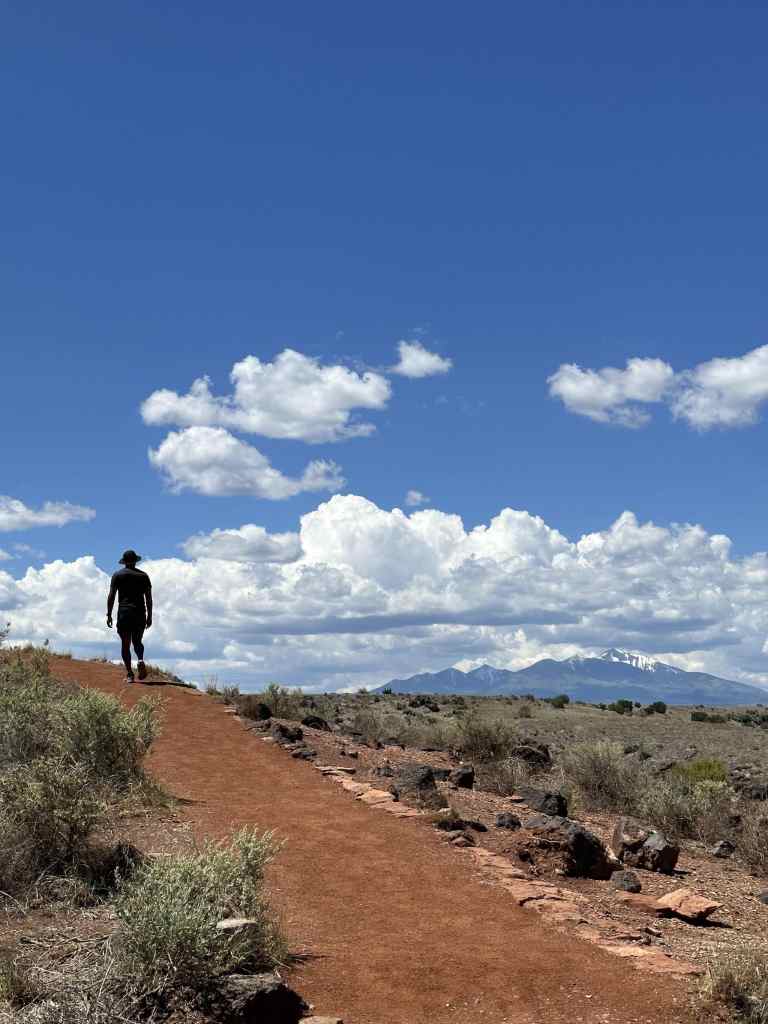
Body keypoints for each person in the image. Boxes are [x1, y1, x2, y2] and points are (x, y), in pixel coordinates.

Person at [107, 549, 153, 684]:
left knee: (125, 643)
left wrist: (109, 614)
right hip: (139, 612)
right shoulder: (143, 576)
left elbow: (111, 596)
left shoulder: (117, 575)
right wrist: (149, 616)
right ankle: (140, 660)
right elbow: (149, 599)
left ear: (124, 562)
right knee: (137, 641)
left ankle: (129, 674)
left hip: (124, 612)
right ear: (135, 561)